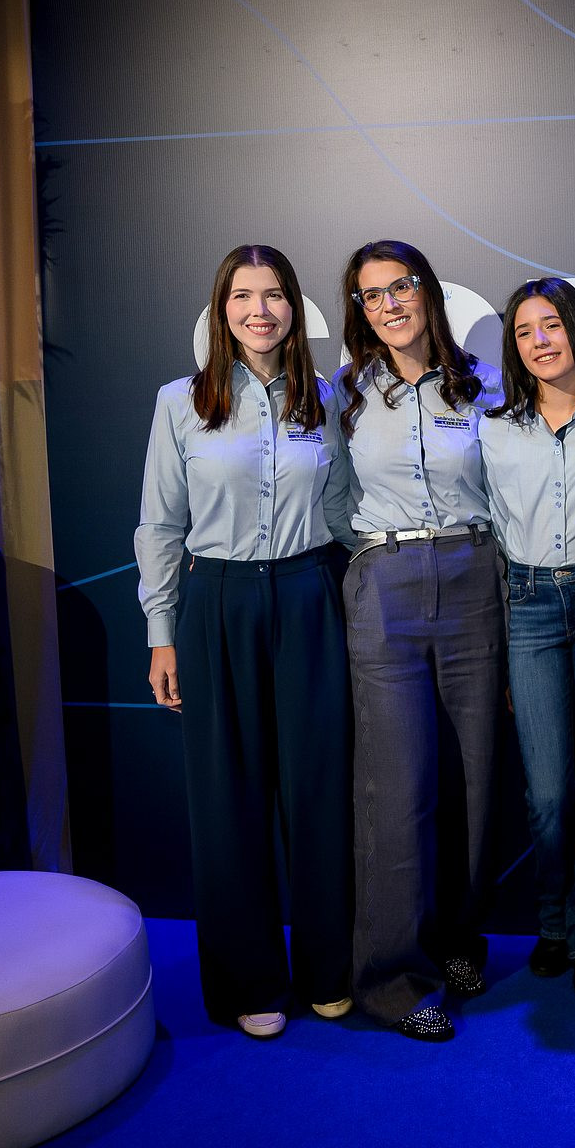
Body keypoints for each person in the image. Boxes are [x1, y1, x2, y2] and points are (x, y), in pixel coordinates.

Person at [134, 243, 354, 1039]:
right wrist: (162, 633)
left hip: (309, 594)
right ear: (220, 310)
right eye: (242, 297)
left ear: (295, 307)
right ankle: (251, 980)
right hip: (217, 601)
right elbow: (160, 525)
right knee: (229, 798)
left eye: (273, 295)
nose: (259, 311)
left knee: (321, 790)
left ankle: (330, 969)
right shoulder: (179, 403)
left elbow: (343, 511)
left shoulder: (325, 398)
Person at [334, 240, 504, 1042]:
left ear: (428, 292)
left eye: (400, 286)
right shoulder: (344, 394)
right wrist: (378, 558)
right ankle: (394, 981)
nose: (389, 304)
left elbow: (506, 489)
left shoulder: (486, 384)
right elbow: (332, 497)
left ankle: (459, 944)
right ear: (360, 312)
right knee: (398, 790)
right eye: (371, 295)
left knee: (473, 782)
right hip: (386, 584)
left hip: (475, 580)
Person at [478, 278, 575, 1000]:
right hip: (530, 605)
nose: (540, 341)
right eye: (524, 331)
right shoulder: (493, 430)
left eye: (552, 325)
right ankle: (552, 924)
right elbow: (489, 535)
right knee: (546, 791)